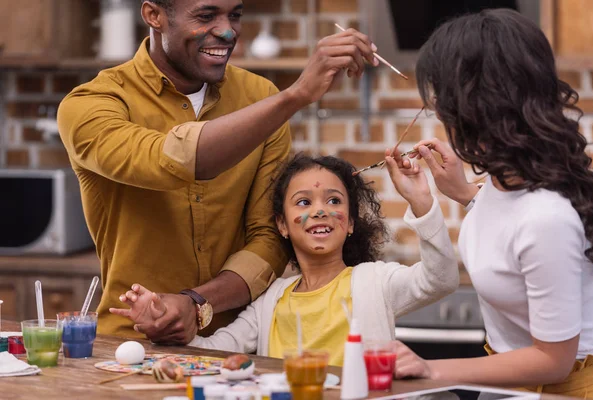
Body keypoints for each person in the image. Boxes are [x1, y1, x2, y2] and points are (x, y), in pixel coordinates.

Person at [57, 0, 380, 343]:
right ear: (154, 16)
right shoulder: (91, 104)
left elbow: (270, 236)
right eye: (206, 15)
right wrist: (297, 95)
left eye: (235, 15)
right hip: (131, 344)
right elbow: (172, 161)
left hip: (238, 343)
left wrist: (197, 302)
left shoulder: (259, 97)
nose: (228, 31)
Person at [391, 8, 593, 397]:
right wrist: (466, 195)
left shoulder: (547, 218)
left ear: (477, 104)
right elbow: (511, 233)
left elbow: (554, 360)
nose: (438, 110)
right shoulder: (503, 183)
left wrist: (430, 369)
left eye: (443, 96)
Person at [113, 152, 460, 366]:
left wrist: (422, 202)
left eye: (335, 201)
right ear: (282, 224)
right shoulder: (271, 300)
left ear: (351, 222)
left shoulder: (374, 281)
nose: (321, 210)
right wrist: (163, 322)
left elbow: (441, 279)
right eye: (304, 202)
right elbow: (214, 352)